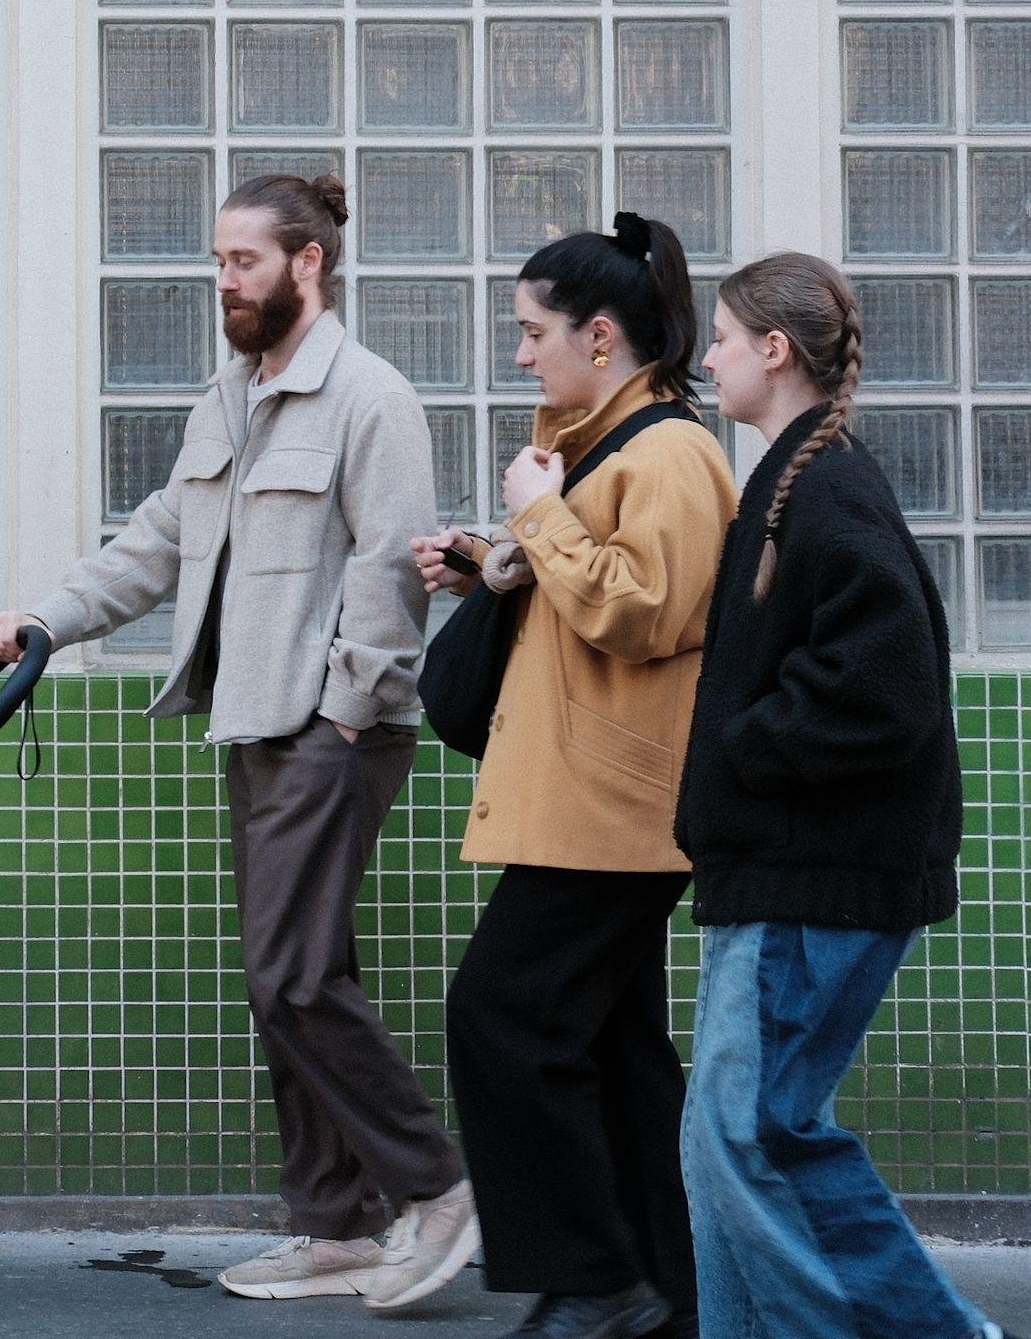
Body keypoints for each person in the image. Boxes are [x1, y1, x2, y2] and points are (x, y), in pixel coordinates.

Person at [0, 173, 474, 1306]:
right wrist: (51, 617)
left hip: (333, 730)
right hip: (254, 725)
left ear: (307, 264)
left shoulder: (370, 398)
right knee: (293, 977)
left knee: (291, 973)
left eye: (242, 262)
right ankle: (337, 1225)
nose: (223, 282)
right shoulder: (231, 399)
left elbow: (392, 573)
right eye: (217, 263)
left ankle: (435, 1188)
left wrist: (351, 711)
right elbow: (161, 540)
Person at [410, 214, 738, 1339]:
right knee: (614, 1049)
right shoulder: (610, 446)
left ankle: (593, 1277)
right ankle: (674, 1291)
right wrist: (484, 566)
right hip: (600, 803)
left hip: (621, 810)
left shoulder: (673, 455)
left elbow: (644, 612)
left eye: (532, 331)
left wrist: (535, 514)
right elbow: (586, 589)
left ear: (600, 337)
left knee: (502, 1017)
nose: (520, 354)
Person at [679, 254, 997, 1339]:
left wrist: (740, 752)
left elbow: (885, 688)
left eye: (722, 336)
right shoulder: (793, 478)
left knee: (752, 1135)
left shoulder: (826, 486)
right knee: (731, 1139)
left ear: (774, 351)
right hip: (786, 871)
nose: (708, 356)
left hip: (811, 878)